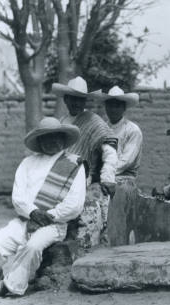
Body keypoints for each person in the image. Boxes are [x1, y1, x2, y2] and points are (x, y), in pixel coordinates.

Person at [0, 117, 86, 296]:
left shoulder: (74, 165)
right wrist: (33, 212)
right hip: (25, 220)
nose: (51, 141)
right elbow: (18, 197)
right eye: (45, 137)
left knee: (33, 247)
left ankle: (10, 286)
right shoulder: (28, 163)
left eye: (55, 136)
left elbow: (74, 205)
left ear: (62, 138)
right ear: (39, 141)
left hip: (53, 224)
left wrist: (49, 215)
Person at [52, 76, 118, 248]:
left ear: (85, 101)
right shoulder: (61, 122)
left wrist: (107, 177)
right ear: (66, 99)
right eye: (72, 98)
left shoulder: (93, 120)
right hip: (60, 178)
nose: (76, 103)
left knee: (82, 228)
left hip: (83, 178)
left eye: (80, 99)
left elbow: (110, 149)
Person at [99, 86, 143, 182]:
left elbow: (126, 162)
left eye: (117, 106)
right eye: (110, 105)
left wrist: (105, 173)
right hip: (103, 174)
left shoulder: (133, 130)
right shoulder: (102, 128)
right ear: (106, 107)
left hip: (124, 178)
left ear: (124, 108)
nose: (113, 109)